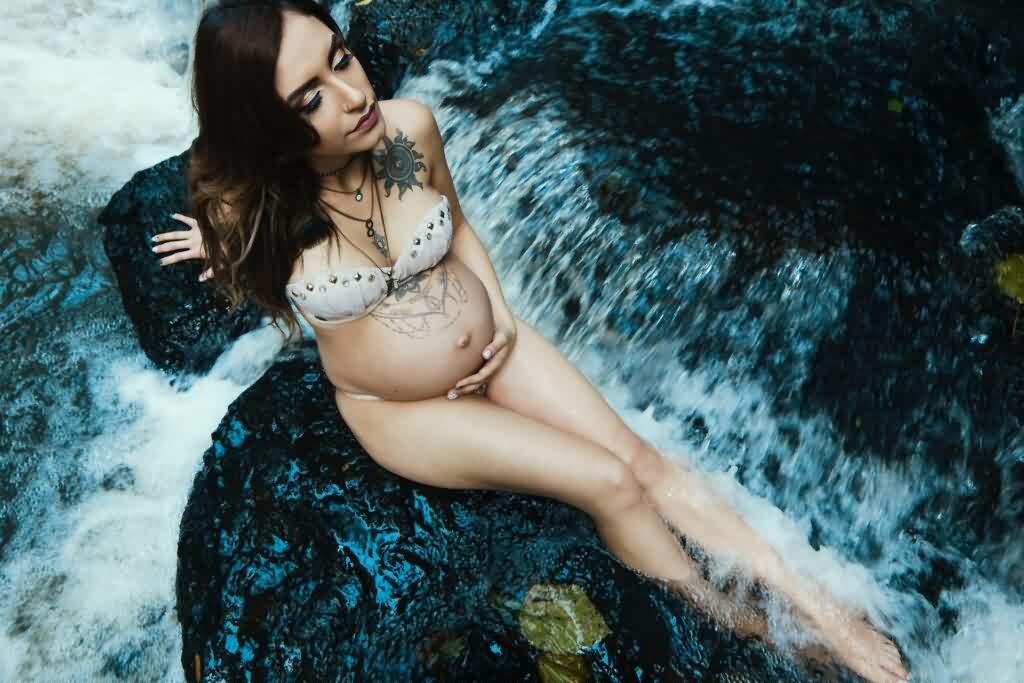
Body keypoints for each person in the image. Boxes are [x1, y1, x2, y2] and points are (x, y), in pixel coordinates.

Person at [151, 2, 909, 681]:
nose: (353, 96)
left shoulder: (408, 128)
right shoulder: (262, 219)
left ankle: (823, 610)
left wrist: (503, 314)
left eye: (341, 57)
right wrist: (218, 244)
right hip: (403, 408)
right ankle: (743, 627)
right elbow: (238, 247)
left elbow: (459, 222)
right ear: (269, 131)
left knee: (646, 461)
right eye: (310, 97)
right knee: (606, 480)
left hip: (499, 347)